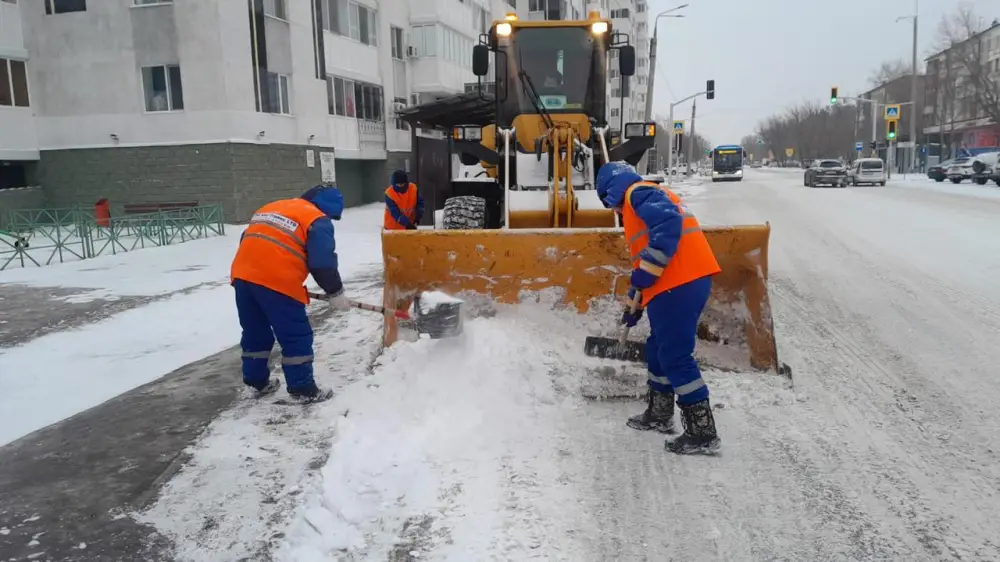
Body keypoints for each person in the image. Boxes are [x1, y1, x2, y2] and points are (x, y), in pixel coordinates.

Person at [596, 161, 723, 455]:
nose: (613, 212)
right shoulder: (644, 196)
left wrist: (647, 275)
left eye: (608, 205)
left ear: (609, 193)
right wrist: (635, 299)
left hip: (679, 282)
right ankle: (659, 413)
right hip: (679, 282)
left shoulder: (637, 193)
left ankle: (702, 432)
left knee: (676, 356)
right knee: (657, 348)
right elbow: (647, 257)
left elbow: (668, 226)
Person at [230, 185, 350, 403]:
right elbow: (322, 262)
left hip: (242, 275)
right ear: (328, 209)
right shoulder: (316, 219)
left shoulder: (273, 207)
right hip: (278, 280)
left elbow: (247, 238)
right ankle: (302, 388)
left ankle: (257, 381)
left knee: (255, 331)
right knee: (295, 334)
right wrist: (335, 292)